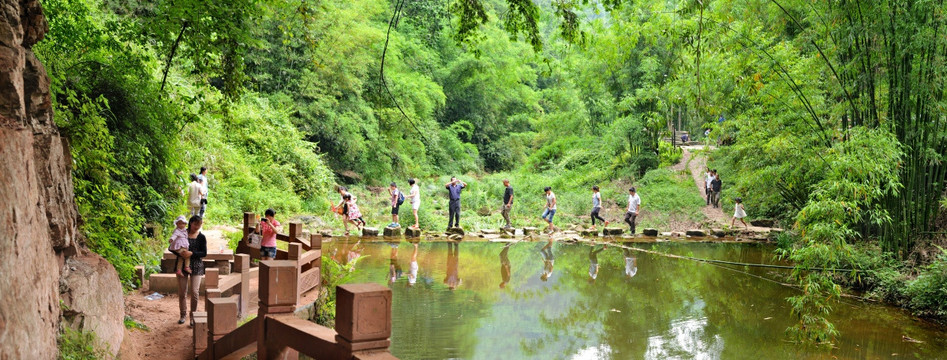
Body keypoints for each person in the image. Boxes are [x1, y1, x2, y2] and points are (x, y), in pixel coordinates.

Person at [176, 215, 206, 325]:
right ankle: (182, 315)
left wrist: (192, 253)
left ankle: (193, 316)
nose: (197, 227)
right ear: (190, 223)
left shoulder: (201, 237)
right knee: (182, 292)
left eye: (199, 224)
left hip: (197, 265)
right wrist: (180, 253)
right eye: (195, 224)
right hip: (182, 264)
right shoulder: (181, 233)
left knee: (194, 292)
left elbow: (204, 253)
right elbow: (172, 247)